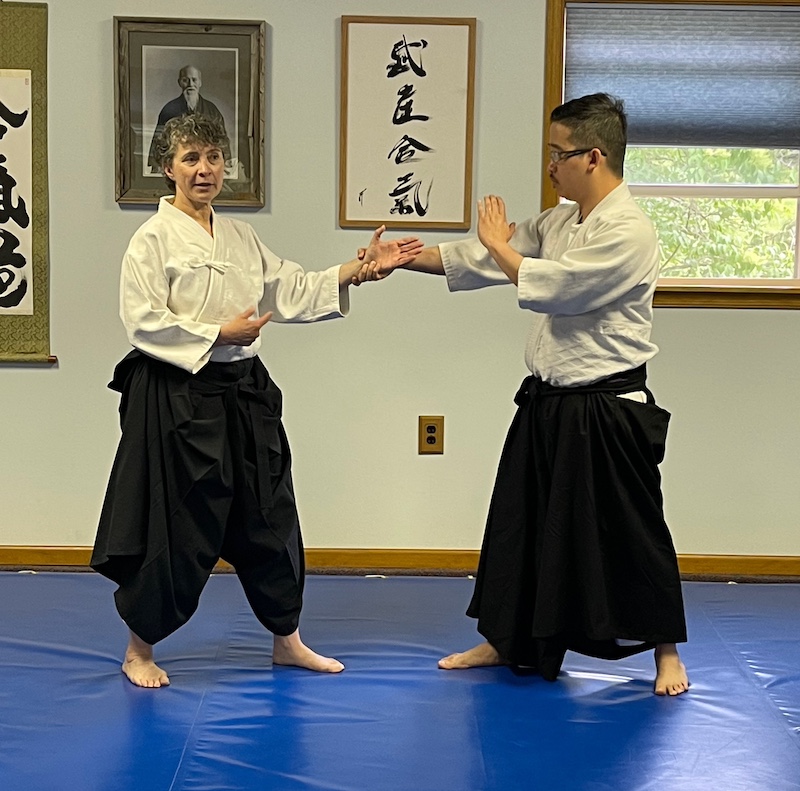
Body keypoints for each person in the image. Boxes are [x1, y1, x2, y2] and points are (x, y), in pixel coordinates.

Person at [357, 93, 690, 696]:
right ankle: (505, 640)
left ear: (593, 157)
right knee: (521, 525)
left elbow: (557, 288)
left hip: (608, 407)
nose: (550, 165)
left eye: (559, 154)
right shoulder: (561, 221)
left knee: (632, 531)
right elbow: (480, 259)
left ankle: (666, 653)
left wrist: (499, 244)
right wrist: (402, 259)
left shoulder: (630, 232)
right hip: (547, 402)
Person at [91, 114, 423, 688]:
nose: (205, 170)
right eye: (191, 158)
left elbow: (290, 287)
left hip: (245, 391)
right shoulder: (152, 239)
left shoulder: (240, 236)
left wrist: (359, 270)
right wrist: (217, 332)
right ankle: (139, 649)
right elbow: (142, 321)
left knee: (271, 511)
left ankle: (287, 640)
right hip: (178, 396)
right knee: (178, 520)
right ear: (167, 168)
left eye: (214, 157)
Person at [147, 65, 231, 173]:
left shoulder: (212, 110)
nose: (190, 84)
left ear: (200, 82)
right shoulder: (169, 110)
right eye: (185, 80)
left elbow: (222, 142)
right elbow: (159, 142)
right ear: (179, 83)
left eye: (194, 80)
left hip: (206, 168)